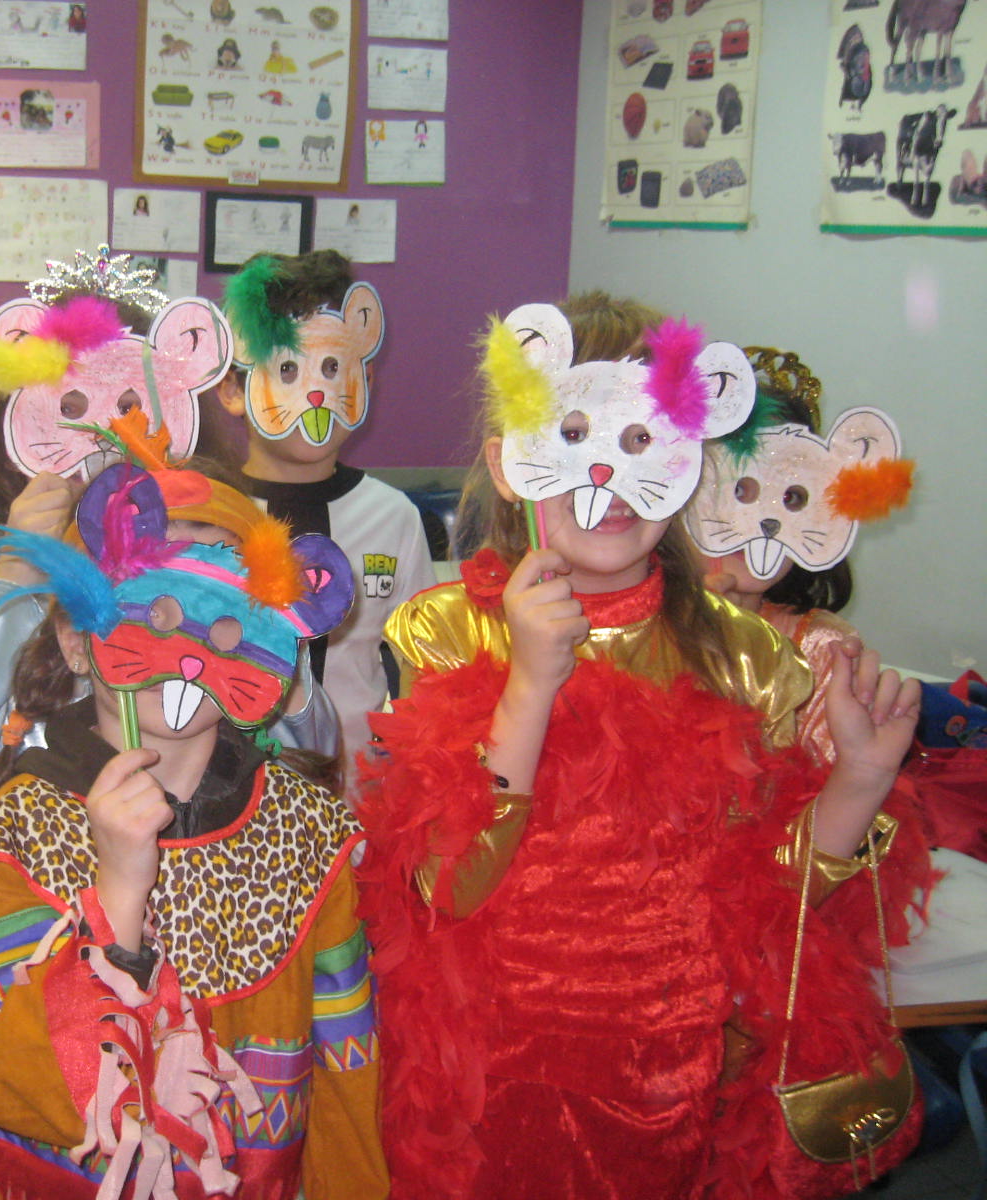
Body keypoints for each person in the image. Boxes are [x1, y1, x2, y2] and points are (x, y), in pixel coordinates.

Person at [354, 295, 930, 1198]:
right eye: (575, 433)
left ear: (690, 462)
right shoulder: (445, 631)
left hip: (668, 1075)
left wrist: (859, 777)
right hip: (489, 1077)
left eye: (642, 441)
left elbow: (770, 906)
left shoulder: (747, 659)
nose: (609, 476)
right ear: (510, 463)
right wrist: (529, 686)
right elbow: (445, 883)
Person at [0, 254, 337, 1200]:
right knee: (45, 1129)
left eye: (130, 406)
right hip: (21, 931)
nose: (101, 441)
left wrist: (260, 640)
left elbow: (309, 747)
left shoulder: (208, 569)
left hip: (214, 914)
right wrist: (16, 579)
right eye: (70, 413)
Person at [0, 463, 387, 1197]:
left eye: (226, 618)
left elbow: (348, 1072)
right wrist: (118, 894)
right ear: (77, 639)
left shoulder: (310, 831)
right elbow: (28, 1089)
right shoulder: (21, 829)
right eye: (152, 611)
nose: (187, 654)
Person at [217, 250, 436, 779]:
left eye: (333, 368)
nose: (315, 394)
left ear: (364, 381)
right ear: (233, 390)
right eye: (287, 370)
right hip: (232, 799)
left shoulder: (393, 517)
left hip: (358, 797)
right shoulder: (209, 514)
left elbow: (425, 666)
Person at [686, 347, 913, 767]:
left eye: (791, 498)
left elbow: (835, 786)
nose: (761, 521)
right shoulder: (644, 627)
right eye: (739, 492)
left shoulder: (825, 649)